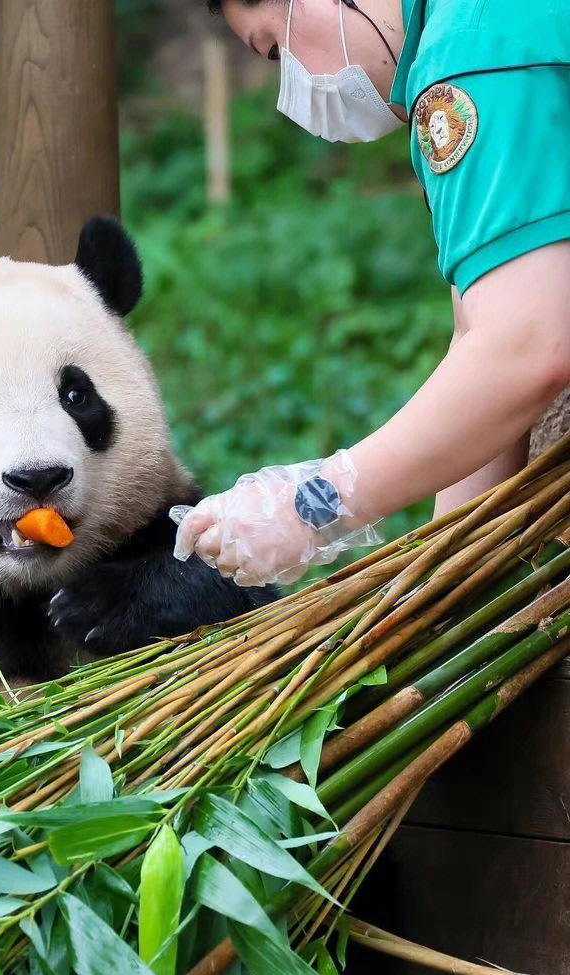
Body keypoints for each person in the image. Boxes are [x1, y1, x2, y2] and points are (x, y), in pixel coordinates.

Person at [173, 0, 570, 586]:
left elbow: (525, 348)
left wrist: (313, 505)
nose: (292, 88)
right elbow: (480, 340)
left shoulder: (469, 55)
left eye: (275, 51)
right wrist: (440, 583)